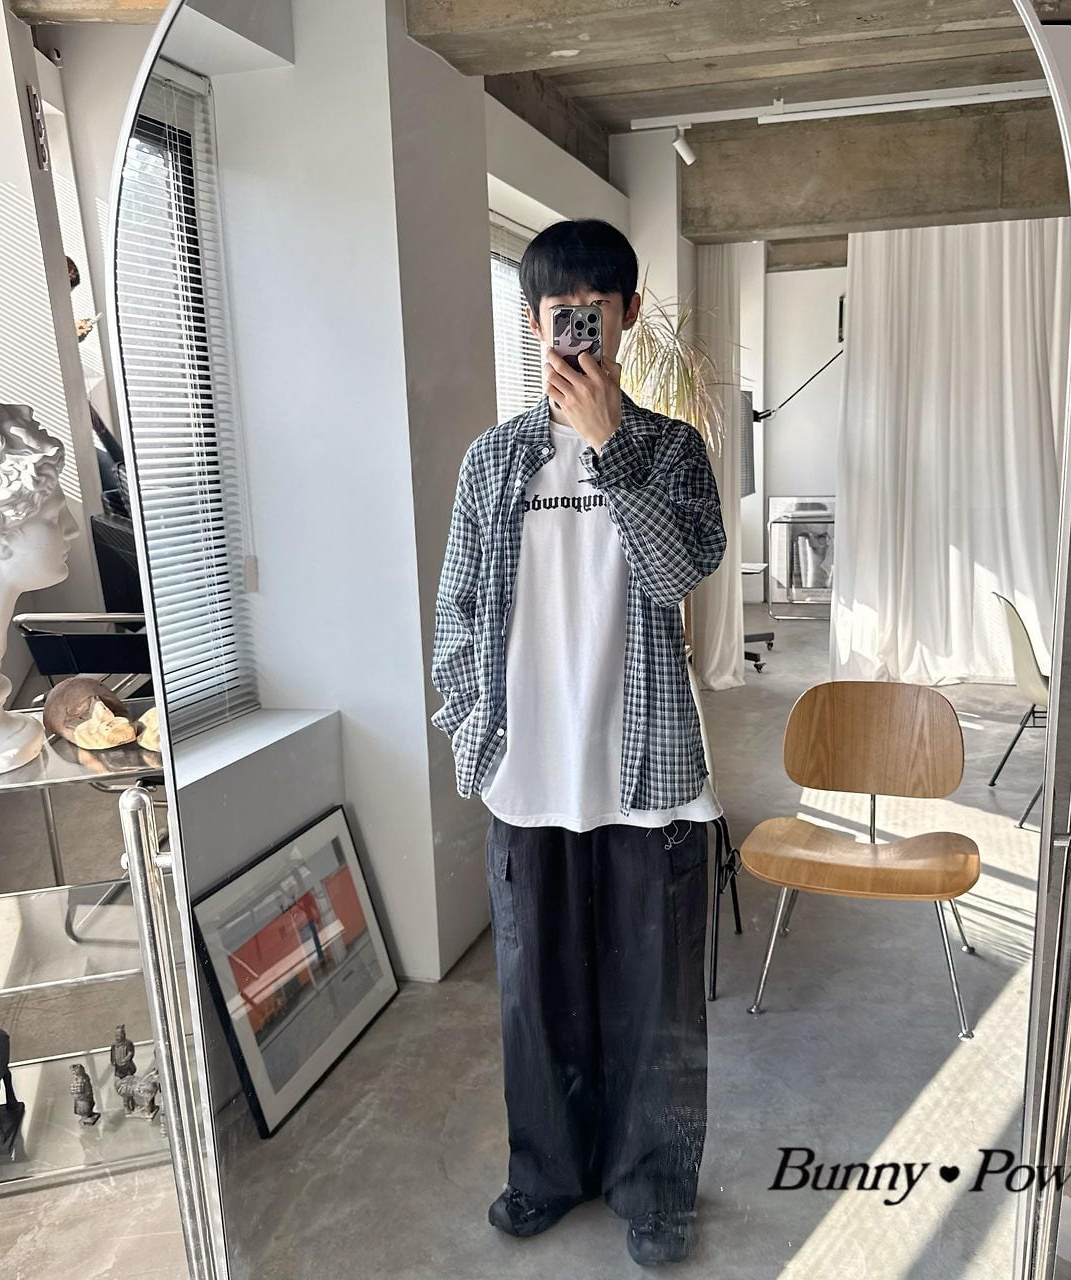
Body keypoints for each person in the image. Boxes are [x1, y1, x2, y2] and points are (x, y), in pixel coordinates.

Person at [429, 218, 727, 1266]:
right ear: (533, 321)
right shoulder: (491, 461)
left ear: (627, 313)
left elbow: (675, 573)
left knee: (657, 1002)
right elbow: (458, 609)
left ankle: (655, 1187)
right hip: (529, 771)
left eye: (597, 309)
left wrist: (610, 446)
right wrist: (472, 726)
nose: (579, 328)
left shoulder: (674, 451)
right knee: (533, 995)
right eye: (562, 312)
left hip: (649, 772)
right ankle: (546, 1172)